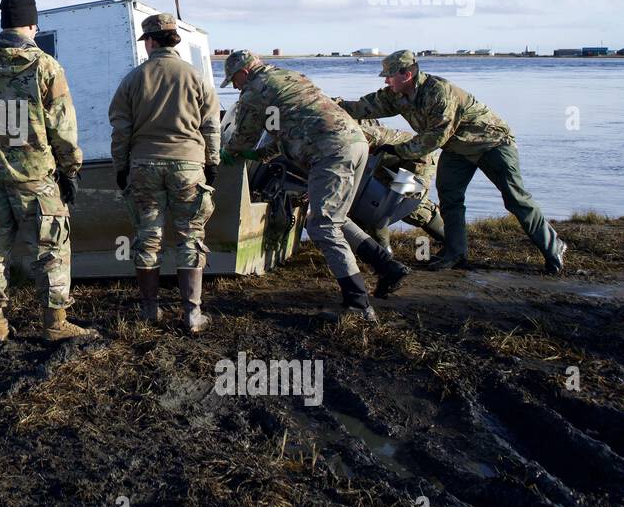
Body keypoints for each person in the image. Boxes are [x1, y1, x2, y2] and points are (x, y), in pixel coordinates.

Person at [220, 50, 409, 322]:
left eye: (233, 80)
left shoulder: (253, 91)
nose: (235, 86)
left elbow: (243, 137)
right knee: (336, 218)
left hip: (329, 153)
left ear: (245, 72)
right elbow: (293, 127)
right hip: (355, 142)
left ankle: (358, 304)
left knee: (321, 225)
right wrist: (261, 155)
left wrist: (230, 153)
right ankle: (387, 266)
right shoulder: (289, 77)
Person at [338, 50, 565, 274]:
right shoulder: (395, 94)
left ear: (406, 74)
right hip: (456, 148)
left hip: (491, 143)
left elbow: (435, 137)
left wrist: (397, 149)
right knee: (450, 198)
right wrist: (326, 105)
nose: (386, 80)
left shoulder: (439, 92)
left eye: (389, 75)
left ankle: (553, 247)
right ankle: (456, 254)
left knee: (516, 199)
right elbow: (362, 107)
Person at [0, 0, 95, 343]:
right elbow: (63, 129)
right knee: (51, 249)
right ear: (33, 24)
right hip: (35, 177)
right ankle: (54, 324)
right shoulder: (45, 66)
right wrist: (70, 170)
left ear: (3, 22)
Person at [108, 13, 220, 331]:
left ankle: (149, 311)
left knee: (148, 238)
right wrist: (212, 162)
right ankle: (192, 314)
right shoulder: (196, 77)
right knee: (190, 236)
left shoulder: (133, 79)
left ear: (152, 42)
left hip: (144, 165)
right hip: (189, 164)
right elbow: (211, 125)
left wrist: (121, 166)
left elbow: (120, 129)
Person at [354, 120, 445, 251]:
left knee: (408, 207)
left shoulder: (354, 134)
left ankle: (454, 245)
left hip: (416, 156)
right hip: (383, 161)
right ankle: (380, 255)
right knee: (368, 205)